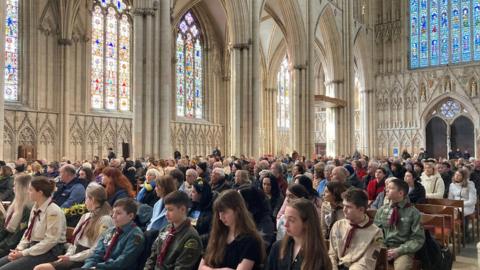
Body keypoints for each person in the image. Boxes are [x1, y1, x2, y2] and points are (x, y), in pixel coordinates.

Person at [33, 183, 113, 270]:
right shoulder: (86, 216)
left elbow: (96, 250)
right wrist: (68, 255)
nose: (85, 202)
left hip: (87, 259)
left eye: (86, 198)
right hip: (75, 255)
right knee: (40, 268)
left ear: (92, 200)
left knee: (40, 268)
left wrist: (71, 258)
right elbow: (75, 242)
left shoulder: (105, 220)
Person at [0, 177, 66, 270]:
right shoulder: (35, 208)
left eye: (30, 190)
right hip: (33, 247)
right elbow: (28, 232)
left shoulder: (53, 212)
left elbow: (50, 241)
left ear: (40, 193)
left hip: (49, 252)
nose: (28, 192)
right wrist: (19, 248)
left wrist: (23, 253)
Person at [199, 190, 265, 270]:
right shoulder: (217, 234)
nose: (220, 217)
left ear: (237, 211)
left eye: (225, 212)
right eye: (219, 213)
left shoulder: (251, 240)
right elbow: (201, 267)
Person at [266, 198, 332, 270]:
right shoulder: (278, 247)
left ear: (306, 223)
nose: (286, 224)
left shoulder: (318, 256)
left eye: (291, 220)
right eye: (285, 218)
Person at [374, 178, 425, 270]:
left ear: (401, 193)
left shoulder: (413, 212)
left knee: (402, 267)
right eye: (386, 187)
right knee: (366, 263)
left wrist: (399, 250)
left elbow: (417, 239)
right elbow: (375, 232)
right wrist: (382, 247)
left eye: (390, 188)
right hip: (383, 247)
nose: (386, 189)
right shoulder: (382, 210)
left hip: (403, 250)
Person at [144, 191, 202, 270]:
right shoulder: (165, 229)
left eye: (170, 210)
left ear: (182, 209)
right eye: (166, 210)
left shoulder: (191, 238)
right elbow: (153, 256)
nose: (166, 214)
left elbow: (182, 267)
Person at [81, 198, 144, 269]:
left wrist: (97, 267)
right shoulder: (110, 231)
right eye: (113, 212)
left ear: (130, 216)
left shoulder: (135, 236)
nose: (113, 216)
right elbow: (97, 253)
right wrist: (86, 267)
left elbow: (122, 262)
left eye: (118, 213)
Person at [329, 188, 383, 270]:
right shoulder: (338, 225)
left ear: (361, 209)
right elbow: (332, 253)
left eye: (349, 207)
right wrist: (333, 267)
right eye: (344, 206)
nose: (344, 210)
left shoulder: (376, 233)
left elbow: (367, 261)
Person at [0, 174, 32, 257]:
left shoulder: (28, 209)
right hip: (6, 241)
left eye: (15, 185)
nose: (13, 188)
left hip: (13, 247)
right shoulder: (15, 203)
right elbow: (4, 229)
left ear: (22, 188)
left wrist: (1, 246)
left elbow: (16, 238)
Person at [188, 179, 213, 248]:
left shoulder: (212, 211)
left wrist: (193, 240)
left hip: (200, 246)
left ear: (201, 194)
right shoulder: (192, 205)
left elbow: (211, 235)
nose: (190, 194)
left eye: (193, 192)